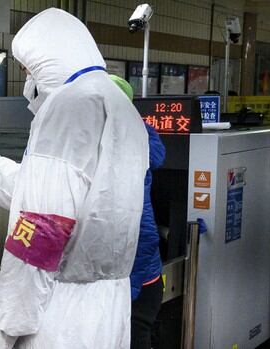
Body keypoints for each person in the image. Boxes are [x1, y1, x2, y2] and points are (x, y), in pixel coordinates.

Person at [0, 8, 149, 348]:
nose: (27, 80)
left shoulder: (66, 106)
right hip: (108, 310)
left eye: (27, 69)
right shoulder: (119, 105)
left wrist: (11, 323)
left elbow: (43, 225)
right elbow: (76, 202)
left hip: (58, 315)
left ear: (48, 61)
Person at [110, 75, 166, 349]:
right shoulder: (133, 144)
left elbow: (144, 234)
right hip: (130, 279)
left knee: (135, 337)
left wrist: (127, 290)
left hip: (140, 282)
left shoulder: (130, 156)